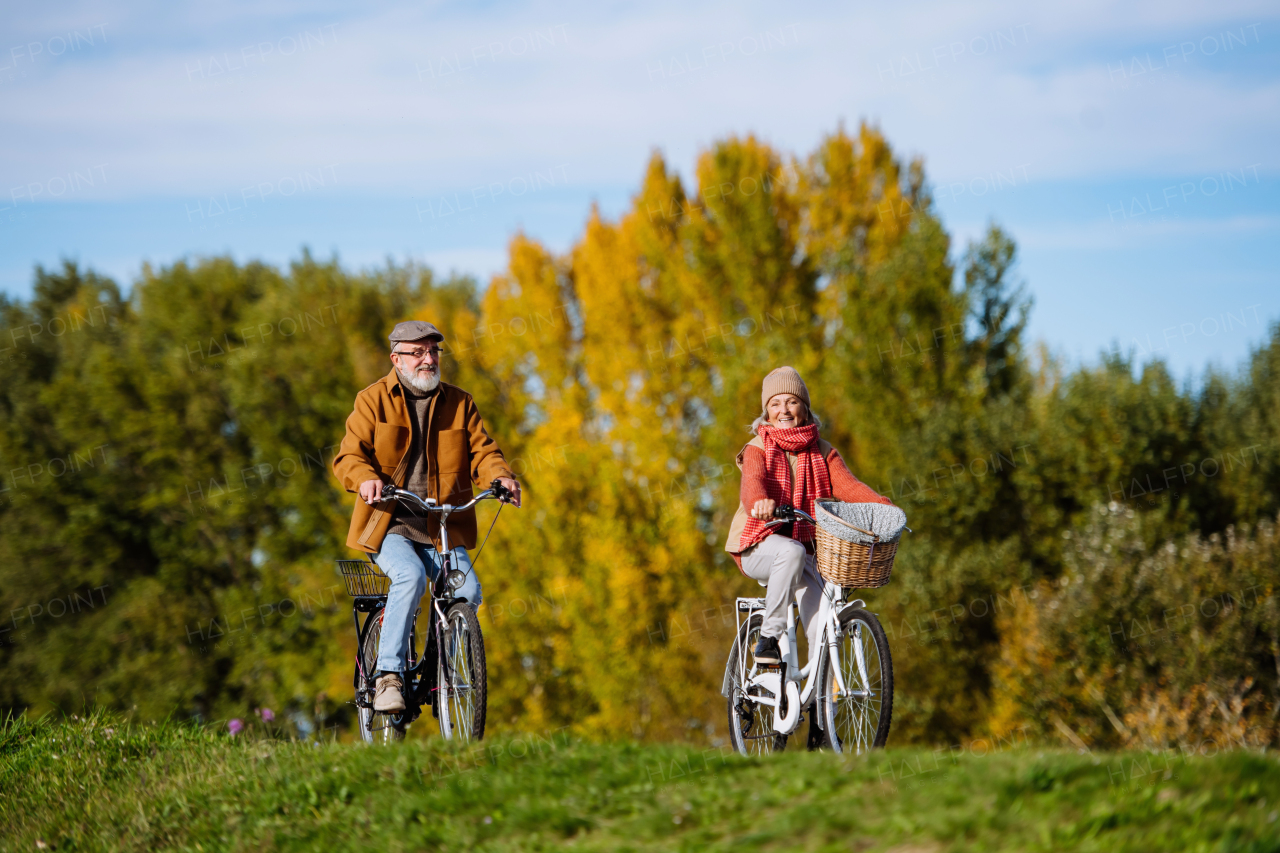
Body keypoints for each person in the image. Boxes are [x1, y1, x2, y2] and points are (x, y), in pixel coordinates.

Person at [332, 320, 521, 712]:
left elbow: (483, 451)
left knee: (467, 592)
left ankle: (445, 673)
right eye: (417, 352)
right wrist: (365, 479)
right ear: (396, 358)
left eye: (433, 351)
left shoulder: (459, 403)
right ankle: (388, 676)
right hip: (389, 522)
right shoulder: (372, 400)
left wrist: (500, 477)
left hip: (441, 526)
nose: (428, 359)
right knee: (411, 575)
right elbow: (349, 456)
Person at [724, 366, 893, 664]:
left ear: (805, 407)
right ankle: (768, 638)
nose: (783, 410)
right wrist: (760, 503)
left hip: (807, 552)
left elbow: (850, 488)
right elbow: (752, 484)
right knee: (790, 551)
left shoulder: (823, 451)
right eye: (775, 404)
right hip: (758, 543)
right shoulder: (757, 448)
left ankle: (821, 702)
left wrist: (884, 506)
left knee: (824, 623)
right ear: (766, 412)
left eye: (791, 401)